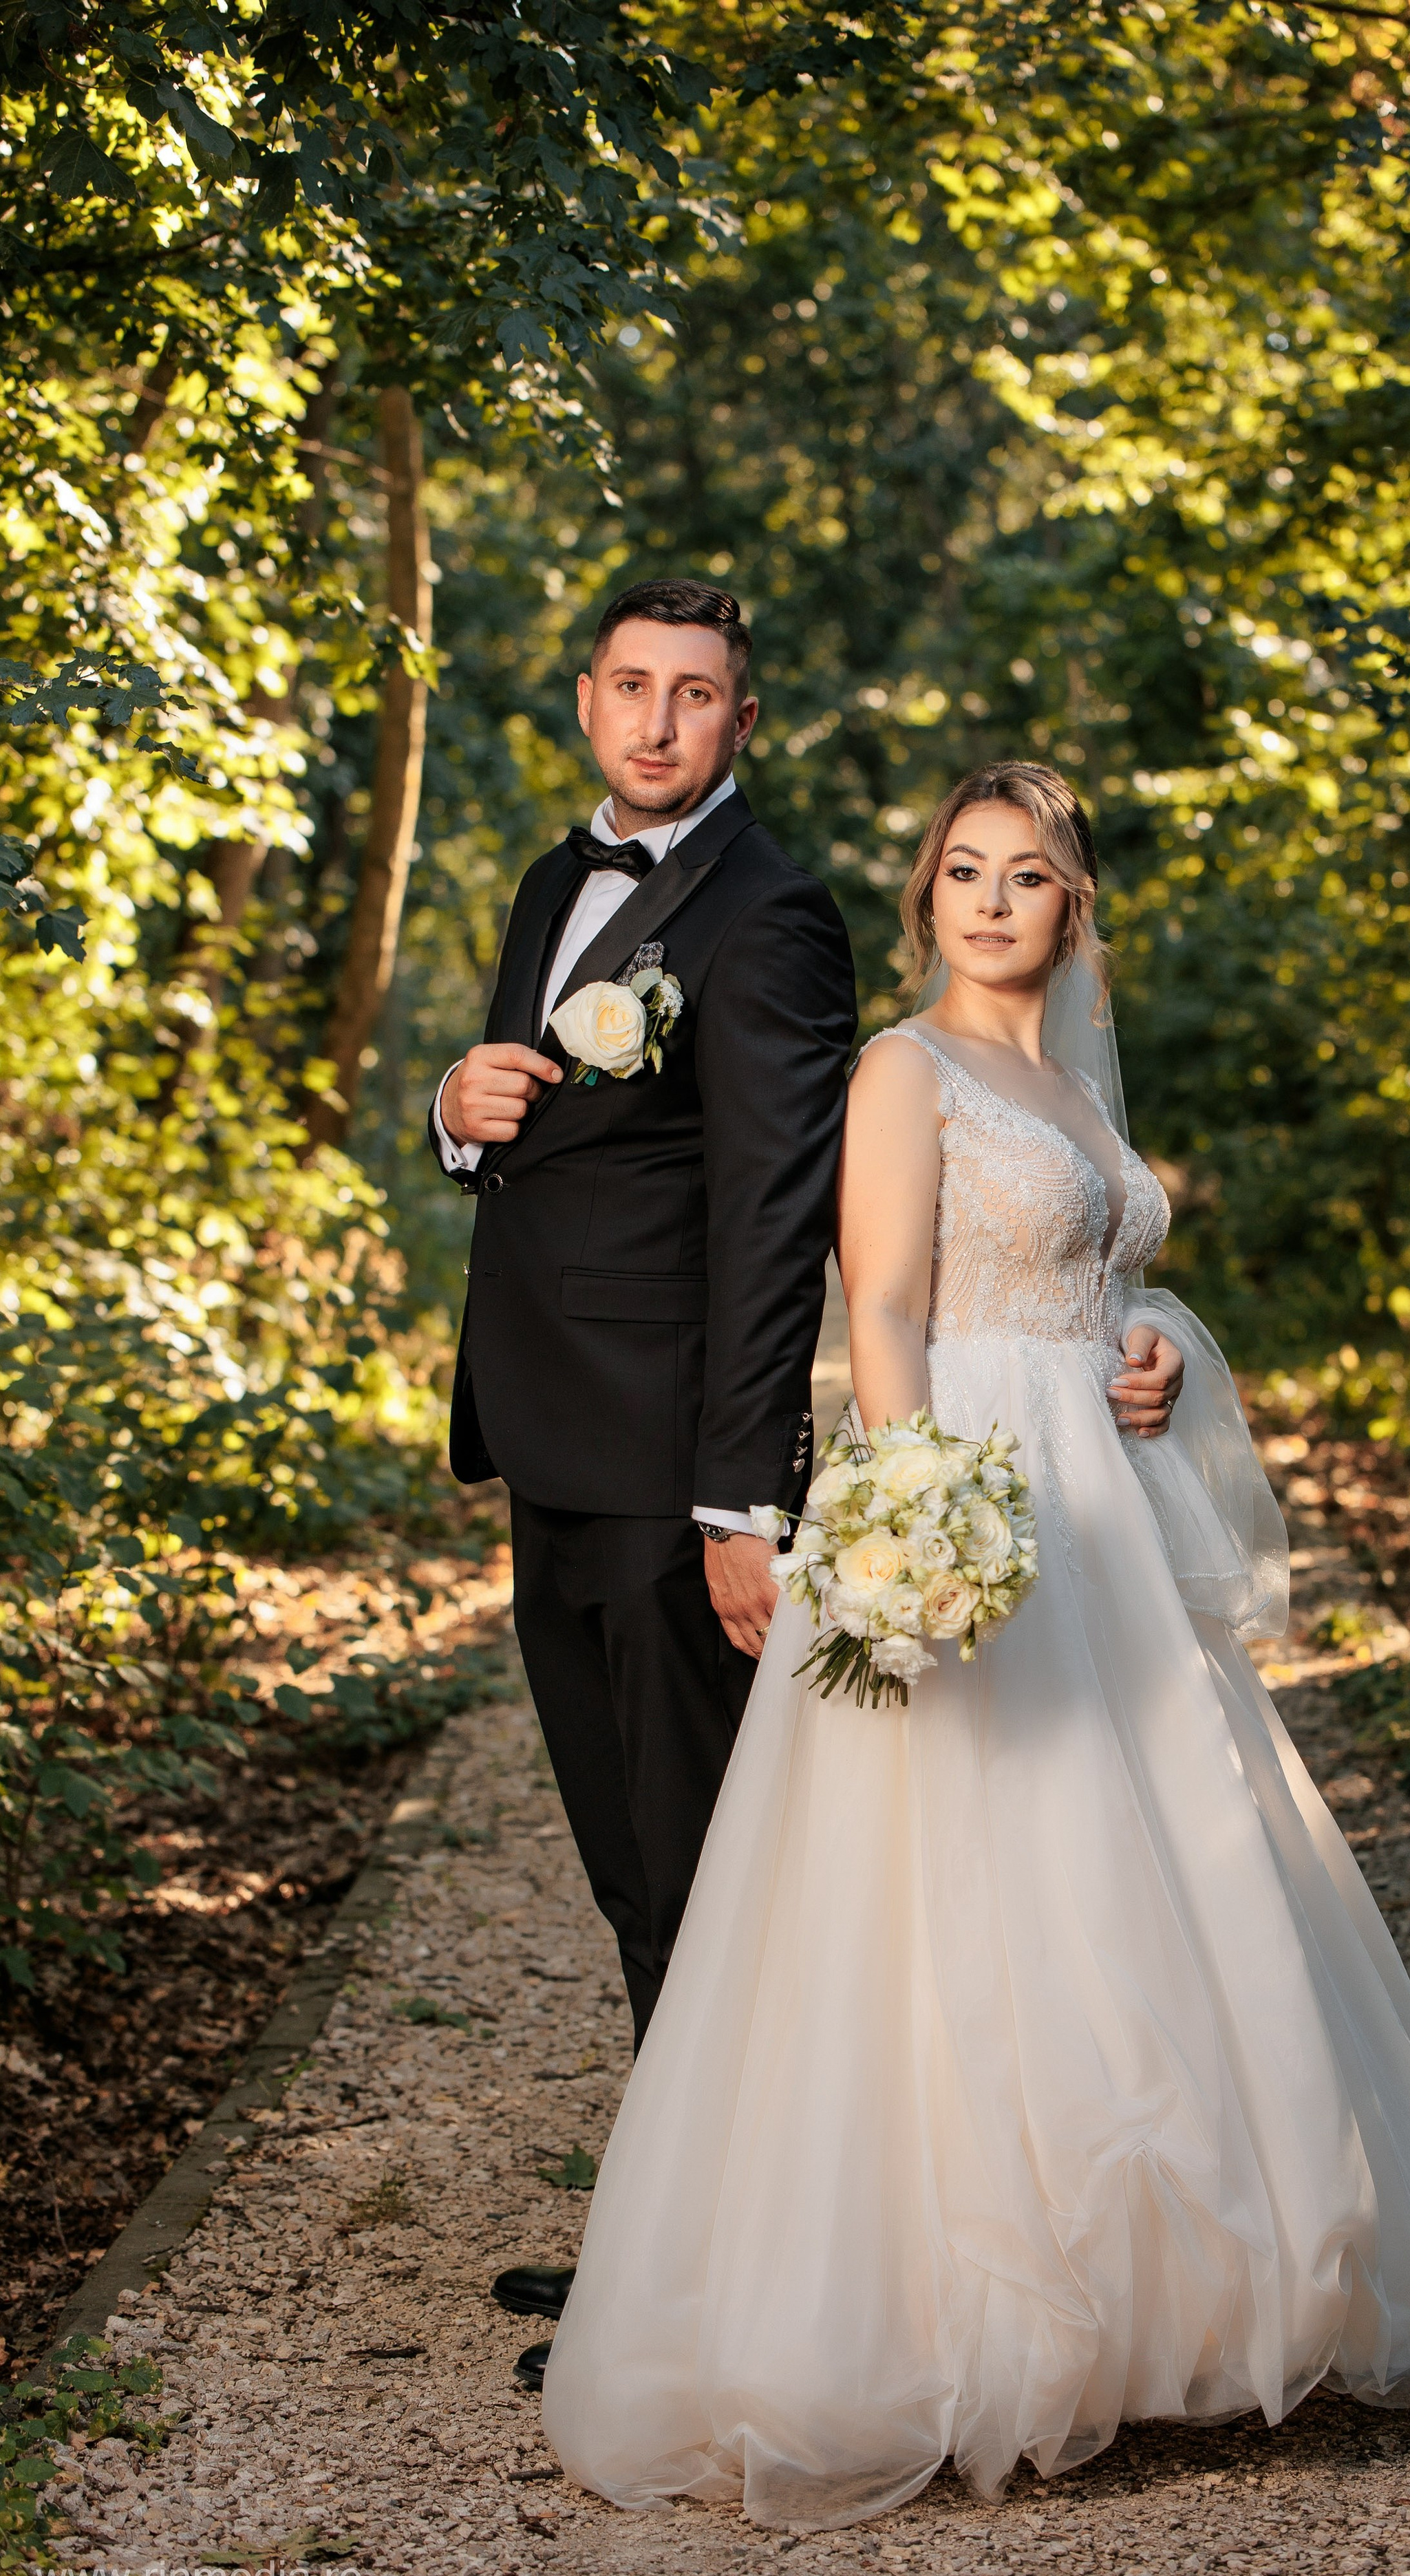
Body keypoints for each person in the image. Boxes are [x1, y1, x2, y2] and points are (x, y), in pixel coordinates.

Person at [539, 760, 1410, 2522]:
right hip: (975, 1494)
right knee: (963, 1880)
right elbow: (879, 1301)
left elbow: (1107, 1286)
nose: (989, 901)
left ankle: (1198, 2293)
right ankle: (953, 2310)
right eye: (960, 871)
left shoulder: (1071, 1086)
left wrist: (1150, 1351)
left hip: (1107, 1508)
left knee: (1174, 1857)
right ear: (925, 896)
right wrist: (916, 1515)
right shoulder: (902, 1069)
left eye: (1025, 876)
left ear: (1069, 908)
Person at [432, 586, 1194, 2376]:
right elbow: (540, 1135)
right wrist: (455, 1120)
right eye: (629, 686)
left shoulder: (768, 916)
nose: (656, 721)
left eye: (695, 695)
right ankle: (663, 2227)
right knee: (631, 1864)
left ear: (742, 722)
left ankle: (712, 2295)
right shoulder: (556, 887)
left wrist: (741, 1501)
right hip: (545, 1431)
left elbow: (785, 1220)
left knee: (706, 1871)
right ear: (584, 699)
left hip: (667, 1458)